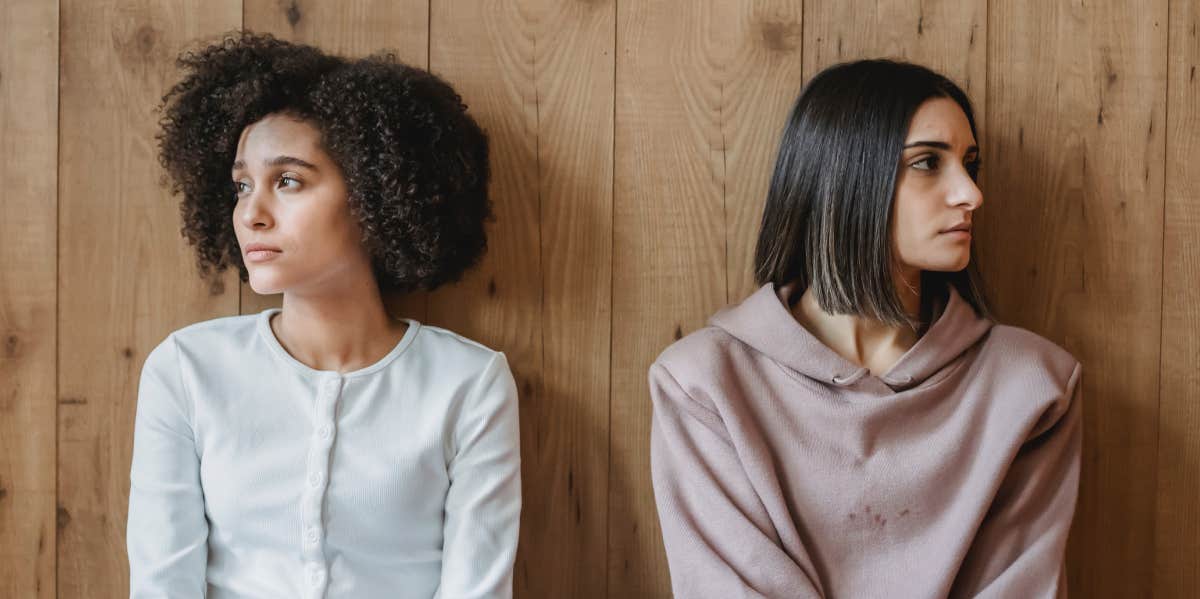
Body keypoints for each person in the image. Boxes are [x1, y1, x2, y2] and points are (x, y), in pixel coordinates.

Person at [648, 59, 1082, 598]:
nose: (971, 194)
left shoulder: (1033, 387)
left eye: (971, 165)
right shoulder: (705, 383)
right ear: (843, 175)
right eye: (928, 162)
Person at [127, 32, 521, 599]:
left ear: (376, 196)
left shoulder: (470, 384)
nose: (251, 214)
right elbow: (163, 585)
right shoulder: (187, 370)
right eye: (242, 185)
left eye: (287, 180)